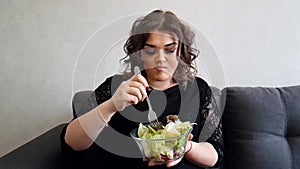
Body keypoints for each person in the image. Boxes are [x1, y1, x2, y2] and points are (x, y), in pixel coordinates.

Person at [60, 9, 223, 169]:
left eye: (170, 50)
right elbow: (71, 142)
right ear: (140, 54)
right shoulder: (117, 86)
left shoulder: (198, 89)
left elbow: (215, 155)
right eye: (151, 50)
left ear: (180, 52)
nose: (160, 59)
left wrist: (185, 147)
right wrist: (112, 105)